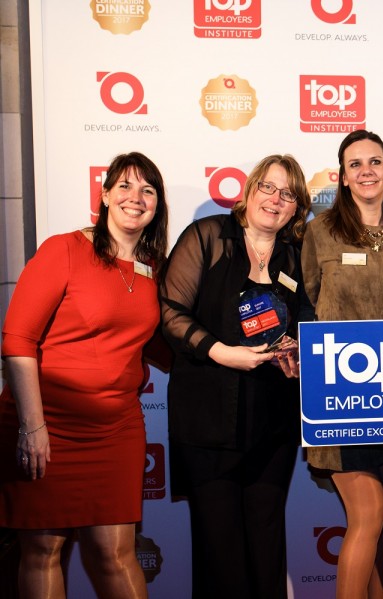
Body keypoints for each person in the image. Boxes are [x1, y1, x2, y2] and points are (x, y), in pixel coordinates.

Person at [0, 152, 168, 598]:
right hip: (48, 423)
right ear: (106, 195)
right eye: (125, 186)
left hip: (116, 429)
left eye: (148, 190)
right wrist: (33, 427)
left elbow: (160, 346)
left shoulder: (154, 268)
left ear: (157, 204)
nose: (136, 197)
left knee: (117, 554)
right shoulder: (65, 249)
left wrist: (241, 351)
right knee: (43, 550)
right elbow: (17, 340)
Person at [159, 154, 314, 598]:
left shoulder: (294, 257)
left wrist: (297, 349)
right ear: (249, 191)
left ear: (296, 209)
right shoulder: (208, 236)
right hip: (208, 418)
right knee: (220, 550)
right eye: (268, 187)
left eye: (288, 194)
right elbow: (170, 312)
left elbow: (304, 322)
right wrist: (222, 352)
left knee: (266, 545)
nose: (276, 199)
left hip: (273, 423)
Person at [300, 130, 383, 599]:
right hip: (339, 395)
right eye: (355, 164)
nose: (366, 171)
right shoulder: (319, 231)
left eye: (375, 161)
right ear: (343, 176)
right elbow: (308, 303)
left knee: (372, 525)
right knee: (370, 514)